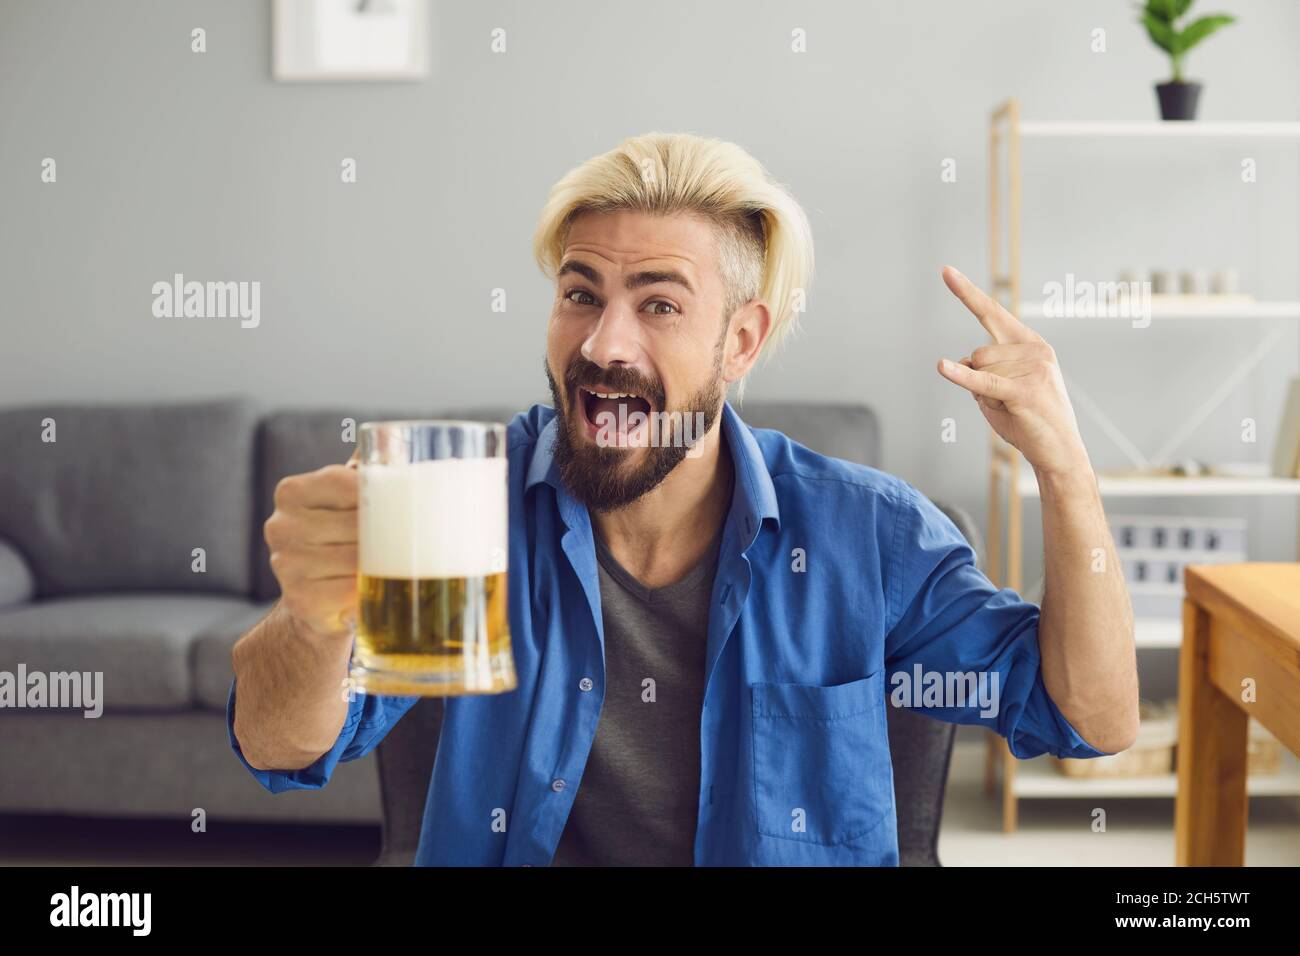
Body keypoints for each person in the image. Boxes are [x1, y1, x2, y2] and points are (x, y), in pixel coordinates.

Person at [229, 132, 1138, 866]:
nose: (603, 344)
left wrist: (1066, 472)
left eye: (659, 305)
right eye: (580, 294)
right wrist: (314, 620)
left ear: (740, 342)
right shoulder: (467, 506)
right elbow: (283, 746)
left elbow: (1089, 720)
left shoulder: (864, 534)